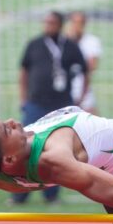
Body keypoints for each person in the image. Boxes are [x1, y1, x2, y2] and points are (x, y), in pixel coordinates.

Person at [12, 10, 88, 204]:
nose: (48, 26)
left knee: (58, 151)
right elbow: (24, 72)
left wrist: (79, 99)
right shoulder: (34, 44)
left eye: (52, 23)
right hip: (36, 103)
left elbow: (85, 72)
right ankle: (20, 193)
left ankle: (51, 195)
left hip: (61, 107)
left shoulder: (70, 46)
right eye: (46, 22)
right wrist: (23, 98)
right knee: (25, 148)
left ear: (60, 25)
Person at [66, 11, 102, 115]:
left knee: (90, 116)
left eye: (80, 23)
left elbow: (92, 66)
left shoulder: (92, 41)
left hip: (83, 84)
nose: (77, 26)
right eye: (74, 22)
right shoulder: (63, 41)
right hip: (65, 86)